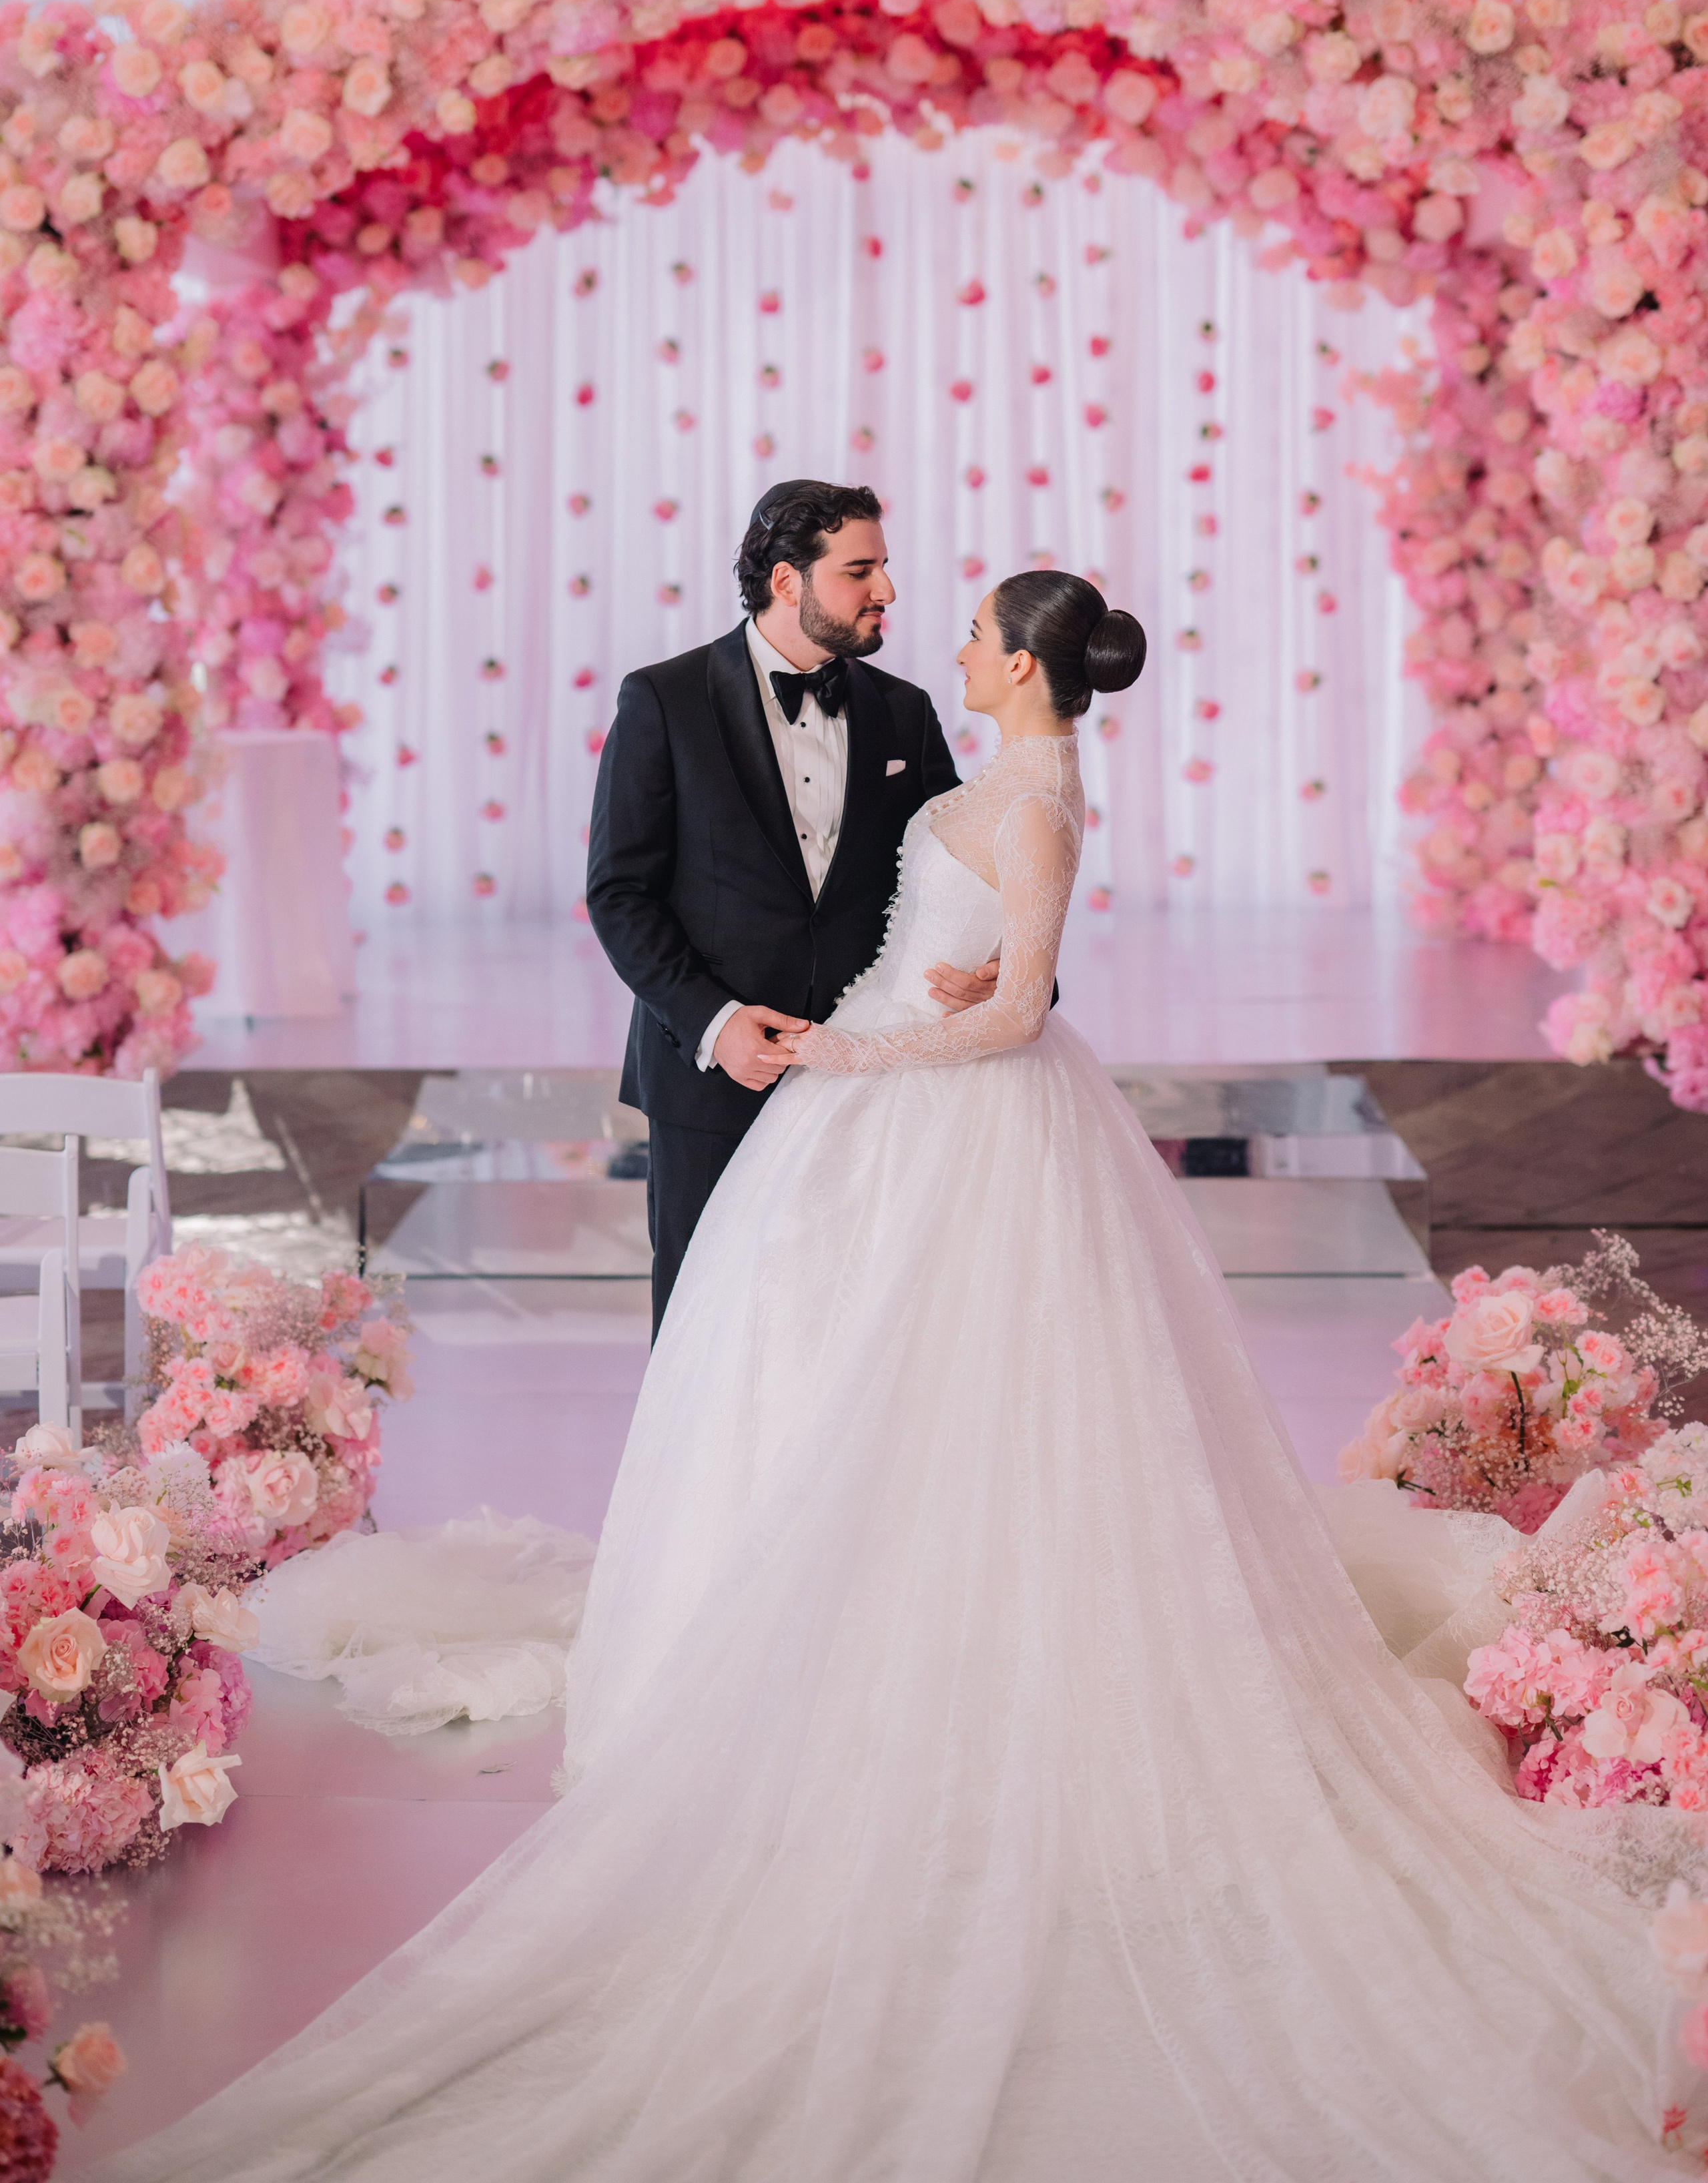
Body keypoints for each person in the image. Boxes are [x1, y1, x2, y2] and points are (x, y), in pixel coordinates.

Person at [96, 575, 1683, 2183]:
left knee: (981, 1399)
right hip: (890, 1115)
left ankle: (960, 1670)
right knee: (869, 1395)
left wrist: (859, 1051)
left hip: (958, 1119)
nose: (952, 635)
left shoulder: (1037, 791)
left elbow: (1010, 1010)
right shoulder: (982, 771)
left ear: (1026, 661)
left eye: (986, 625)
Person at [585, 479, 996, 1336]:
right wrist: (714, 1022)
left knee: (850, 1328)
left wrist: (1007, 972)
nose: (885, 590)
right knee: (708, 1324)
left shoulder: (904, 712)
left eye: (883, 567)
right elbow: (620, 892)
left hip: (865, 1072)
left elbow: (960, 874)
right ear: (786, 581)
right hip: (714, 1076)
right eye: (861, 570)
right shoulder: (661, 700)